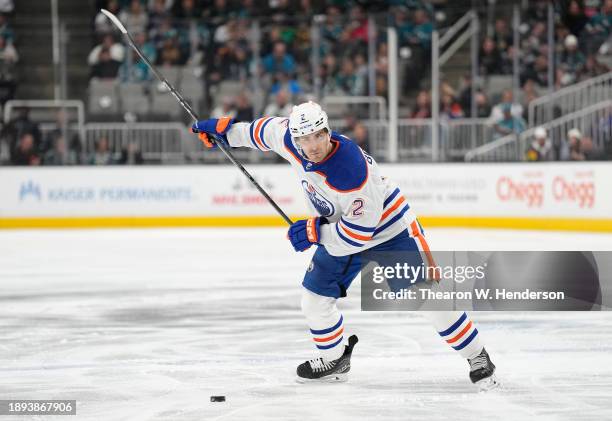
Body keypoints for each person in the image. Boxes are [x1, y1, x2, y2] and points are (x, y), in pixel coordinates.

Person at [190, 101, 499, 390]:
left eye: (317, 136)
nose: (311, 146)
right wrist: (223, 131)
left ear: (327, 131)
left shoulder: (350, 172)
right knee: (313, 299)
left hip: (389, 231)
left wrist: (314, 233)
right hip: (339, 228)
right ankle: (335, 359)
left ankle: (477, 355)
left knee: (425, 297)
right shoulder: (288, 138)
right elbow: (260, 132)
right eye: (304, 139)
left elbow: (356, 236)